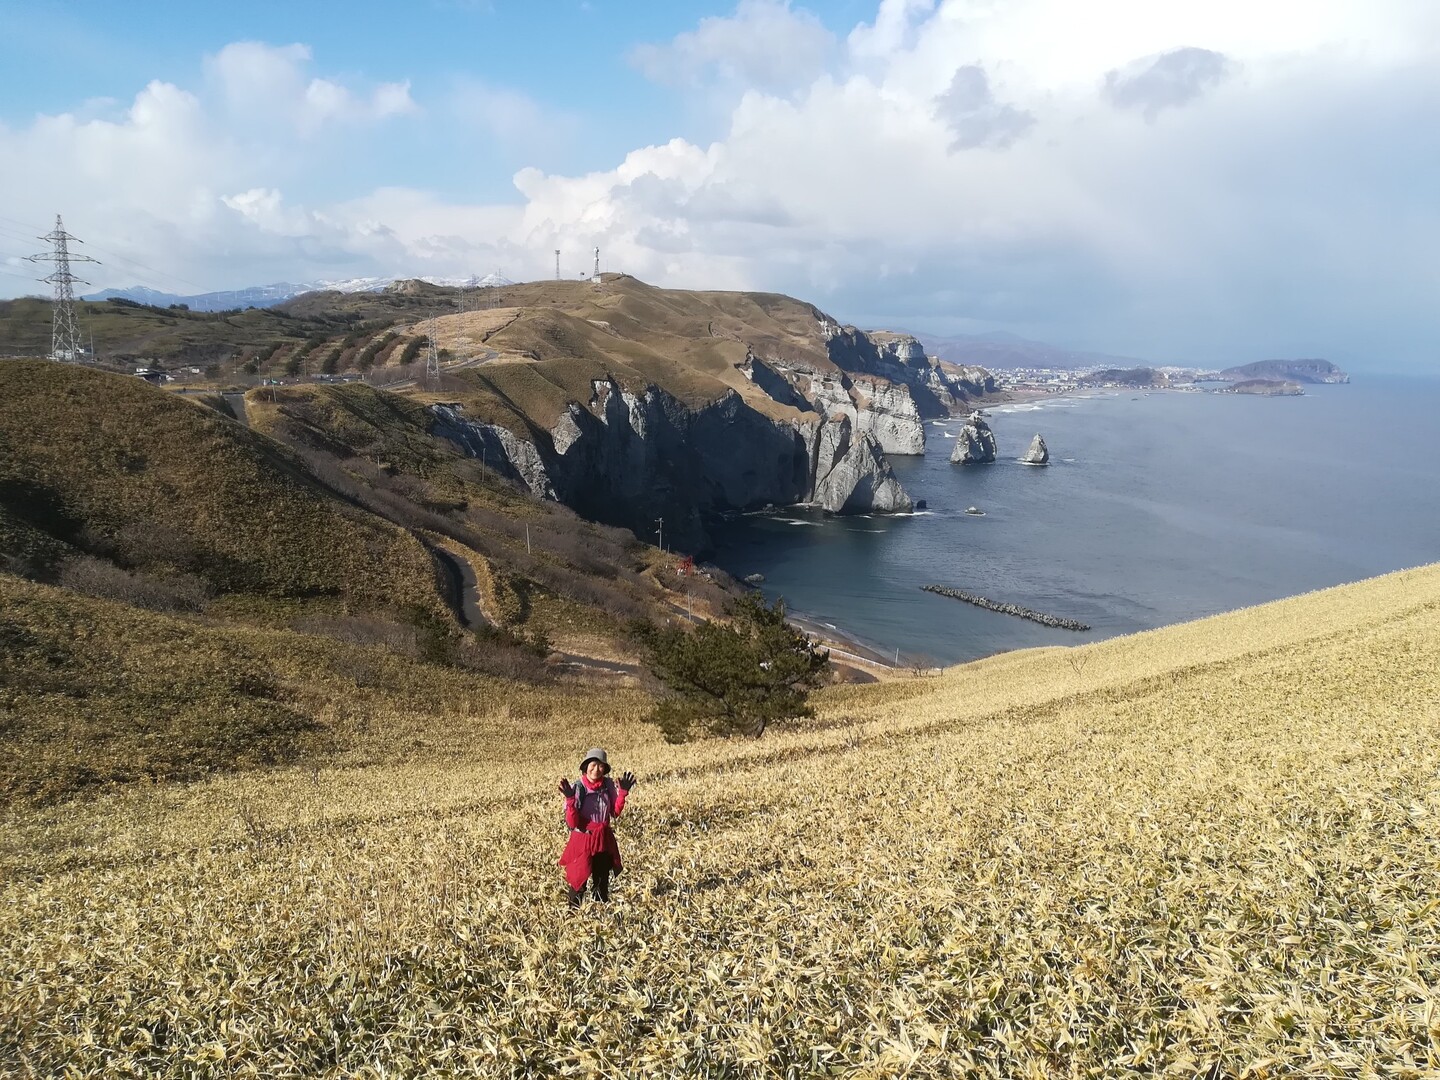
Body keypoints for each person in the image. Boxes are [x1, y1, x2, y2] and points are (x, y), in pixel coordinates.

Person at [558, 748, 636, 909]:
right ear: (586, 766)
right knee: (579, 879)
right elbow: (572, 823)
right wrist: (570, 800)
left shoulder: (607, 785)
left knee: (602, 879)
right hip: (583, 840)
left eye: (601, 766)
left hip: (602, 839)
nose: (596, 770)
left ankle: (601, 913)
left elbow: (614, 812)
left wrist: (622, 794)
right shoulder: (577, 788)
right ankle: (573, 914)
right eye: (593, 765)